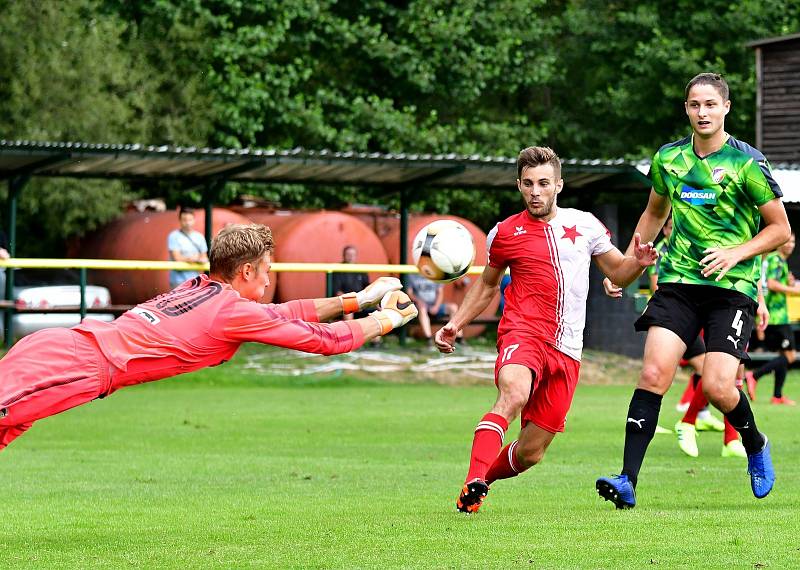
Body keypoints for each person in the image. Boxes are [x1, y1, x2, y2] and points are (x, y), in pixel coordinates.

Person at [0, 224, 418, 455]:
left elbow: (285, 313)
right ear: (247, 272)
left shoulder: (207, 289)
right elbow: (325, 342)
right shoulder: (232, 311)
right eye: (267, 269)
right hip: (77, 366)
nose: (271, 278)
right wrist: (384, 320)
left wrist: (358, 299)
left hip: (65, 348)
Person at [595, 72, 789, 509]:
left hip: (731, 288)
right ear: (686, 109)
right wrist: (625, 267)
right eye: (694, 105)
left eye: (710, 104)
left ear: (725, 108)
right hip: (679, 282)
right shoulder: (669, 159)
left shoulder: (748, 163)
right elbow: (651, 216)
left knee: (720, 387)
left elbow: (780, 229)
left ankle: (755, 443)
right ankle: (627, 481)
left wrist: (736, 253)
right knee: (652, 374)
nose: (702, 112)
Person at [434, 146, 657, 514]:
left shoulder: (584, 225)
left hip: (568, 349)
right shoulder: (504, 233)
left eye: (543, 183)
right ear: (519, 186)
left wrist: (640, 263)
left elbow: (618, 271)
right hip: (523, 334)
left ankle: (480, 484)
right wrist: (455, 323)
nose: (535, 191)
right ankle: (473, 477)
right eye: (527, 184)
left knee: (531, 452)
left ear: (558, 185)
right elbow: (488, 285)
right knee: (513, 394)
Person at [746, 233, 800, 405]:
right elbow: (771, 284)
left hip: (777, 315)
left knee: (783, 355)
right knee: (790, 356)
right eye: (787, 241)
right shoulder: (776, 260)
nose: (790, 244)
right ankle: (754, 375)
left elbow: (772, 283)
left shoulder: (776, 260)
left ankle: (777, 396)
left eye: (793, 242)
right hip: (777, 317)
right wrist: (796, 290)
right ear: (780, 242)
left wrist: (789, 283)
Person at [407, 272, 459, 346]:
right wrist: (419, 301)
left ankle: (459, 339)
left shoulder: (435, 272)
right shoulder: (412, 275)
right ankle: (429, 339)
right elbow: (409, 292)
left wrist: (436, 306)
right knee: (422, 308)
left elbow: (440, 292)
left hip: (434, 305)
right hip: (421, 306)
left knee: (453, 307)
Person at [167, 207, 209, 289]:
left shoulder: (199, 237)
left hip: (195, 281)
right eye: (184, 220)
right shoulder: (174, 236)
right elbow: (176, 257)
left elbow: (204, 257)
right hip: (178, 281)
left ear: (194, 220)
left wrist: (199, 259)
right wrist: (193, 259)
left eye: (190, 220)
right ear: (180, 220)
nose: (187, 223)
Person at [331, 245, 371, 320]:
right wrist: (352, 301)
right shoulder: (337, 270)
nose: (351, 257)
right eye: (348, 254)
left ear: (356, 256)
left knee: (378, 308)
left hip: (361, 301)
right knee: (349, 308)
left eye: (353, 255)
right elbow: (337, 291)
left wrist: (362, 300)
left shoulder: (361, 270)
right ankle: (350, 331)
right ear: (343, 256)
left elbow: (367, 286)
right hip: (345, 302)